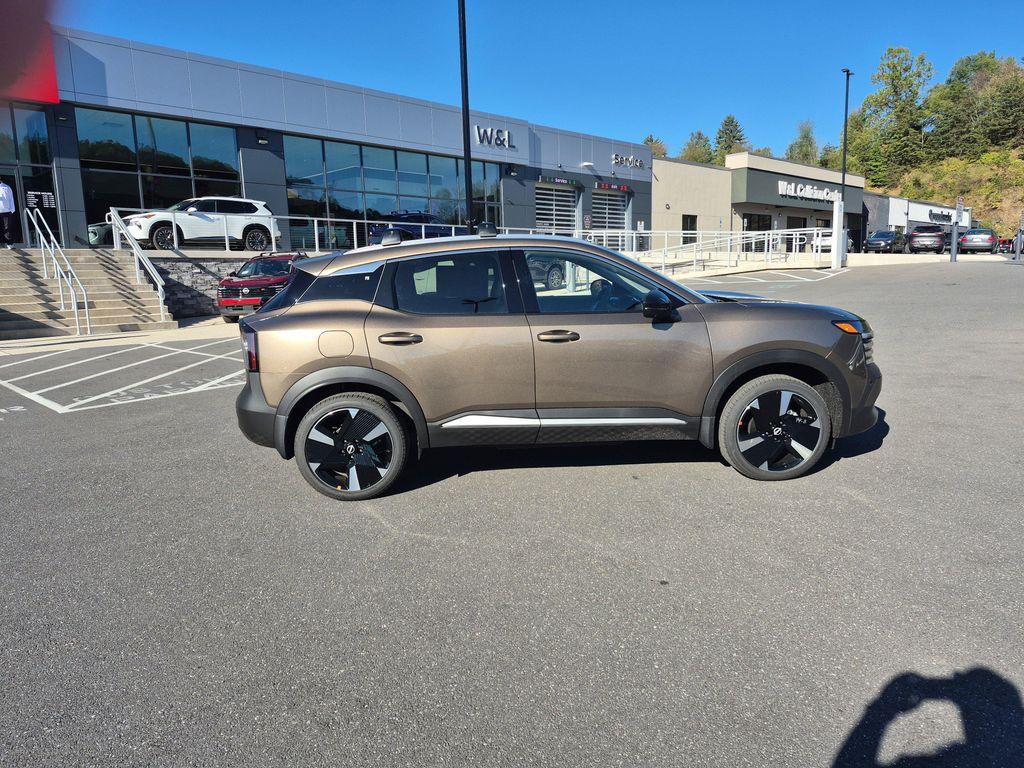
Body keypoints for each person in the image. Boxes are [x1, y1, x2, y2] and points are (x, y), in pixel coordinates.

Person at [0, 179, 15, 249]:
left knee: (7, 228)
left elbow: (11, 198)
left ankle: (9, 244)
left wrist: (12, 210)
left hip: (6, 211)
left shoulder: (7, 187)